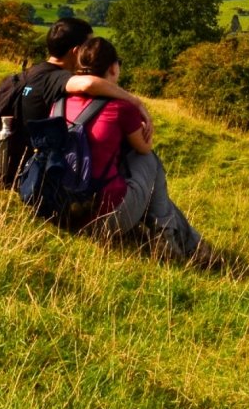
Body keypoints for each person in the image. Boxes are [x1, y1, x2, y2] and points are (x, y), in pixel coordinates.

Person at [66, 36, 219, 268]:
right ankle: (167, 241)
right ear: (113, 67)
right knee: (150, 160)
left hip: (65, 212)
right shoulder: (120, 109)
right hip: (107, 218)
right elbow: (144, 147)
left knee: (146, 179)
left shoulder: (60, 102)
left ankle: (185, 244)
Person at [19, 17, 151, 138]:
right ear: (76, 51)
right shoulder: (53, 78)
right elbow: (89, 84)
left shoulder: (33, 72)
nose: (92, 51)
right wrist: (135, 102)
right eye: (89, 46)